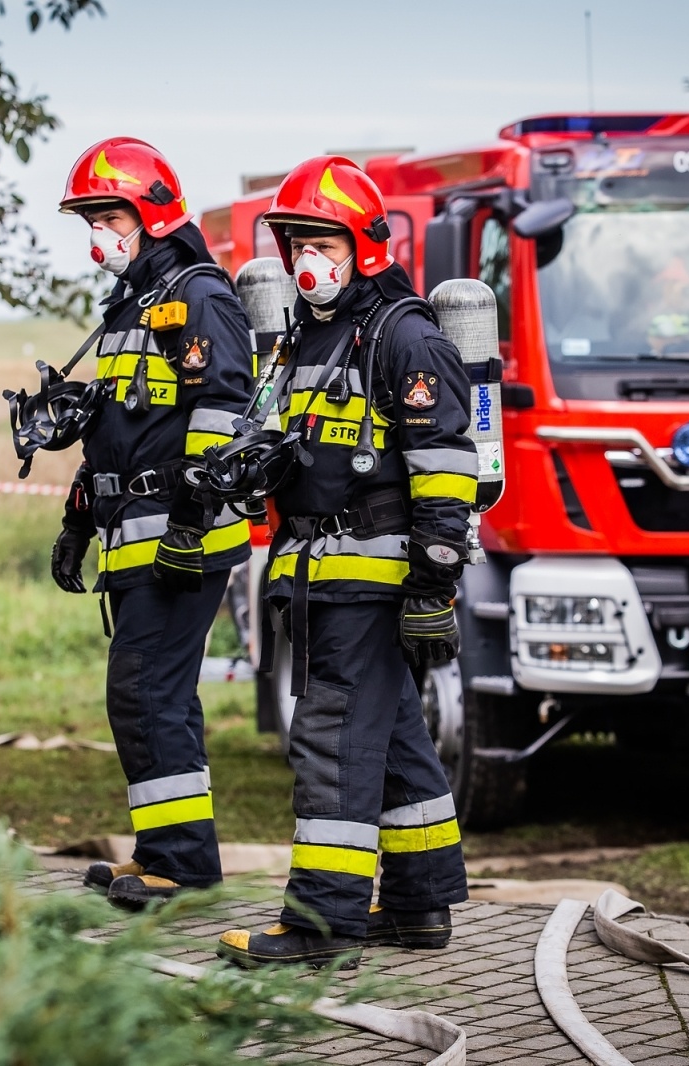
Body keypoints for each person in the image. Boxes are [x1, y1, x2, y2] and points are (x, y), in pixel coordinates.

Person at [214, 157, 474, 969]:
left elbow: (447, 473)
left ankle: (322, 924)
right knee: (393, 737)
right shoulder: (310, 334)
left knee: (329, 741)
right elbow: (296, 446)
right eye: (293, 243)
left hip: (373, 579)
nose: (304, 262)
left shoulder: (405, 335)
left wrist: (434, 587)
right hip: (317, 572)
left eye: (319, 240)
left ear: (363, 241)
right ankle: (418, 904)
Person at [51, 137, 254, 910]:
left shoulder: (199, 295)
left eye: (107, 214)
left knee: (145, 692)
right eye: (90, 218)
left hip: (181, 542)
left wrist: (190, 527)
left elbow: (222, 415)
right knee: (151, 694)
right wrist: (78, 518)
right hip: (136, 536)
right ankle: (167, 855)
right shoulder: (133, 301)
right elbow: (116, 428)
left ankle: (181, 867)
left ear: (150, 213)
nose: (97, 233)